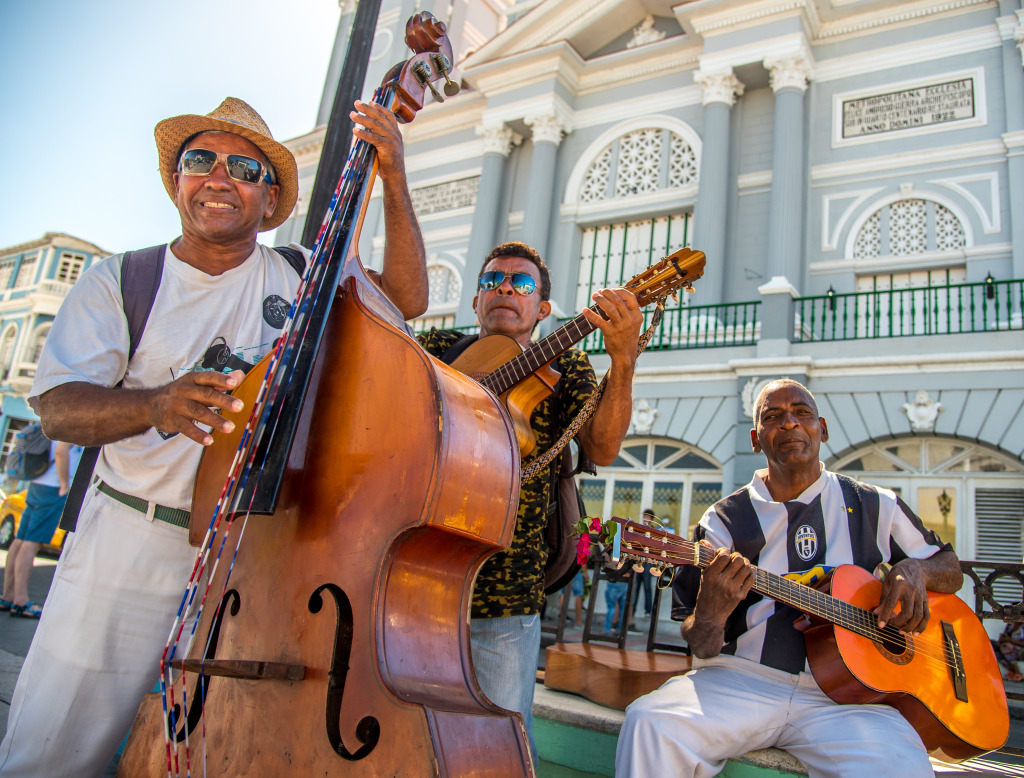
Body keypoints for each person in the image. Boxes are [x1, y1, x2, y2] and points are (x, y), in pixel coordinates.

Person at [0, 96, 428, 778]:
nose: (219, 176)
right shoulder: (123, 279)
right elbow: (58, 409)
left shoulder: (299, 276)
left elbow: (404, 300)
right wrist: (157, 405)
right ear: (178, 183)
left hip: (256, 559)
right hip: (129, 545)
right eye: (201, 161)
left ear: (269, 200)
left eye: (244, 168)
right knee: (55, 747)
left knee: (216, 752)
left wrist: (395, 177)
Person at [616, 378, 963, 778]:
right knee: (651, 724)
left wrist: (915, 568)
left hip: (850, 702)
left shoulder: (874, 504)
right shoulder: (723, 520)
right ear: (755, 438)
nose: (789, 424)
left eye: (802, 413)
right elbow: (701, 643)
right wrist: (710, 614)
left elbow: (949, 567)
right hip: (742, 682)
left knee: (901, 766)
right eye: (773, 417)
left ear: (823, 429)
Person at [418, 241, 642, 762]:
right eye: (493, 280)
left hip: (502, 592)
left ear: (543, 308)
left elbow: (604, 448)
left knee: (499, 750)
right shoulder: (436, 348)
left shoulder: (567, 368)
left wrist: (624, 358)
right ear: (475, 300)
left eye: (521, 284)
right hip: (411, 579)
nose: (504, 289)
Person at [1, 440, 82, 618]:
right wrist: (64, 485)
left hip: (37, 484)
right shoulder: (70, 419)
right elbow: (61, 451)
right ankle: (20, 601)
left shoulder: (56, 416)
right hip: (53, 489)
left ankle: (7, 596)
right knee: (31, 543)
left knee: (20, 539)